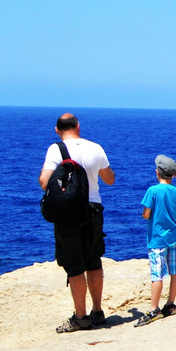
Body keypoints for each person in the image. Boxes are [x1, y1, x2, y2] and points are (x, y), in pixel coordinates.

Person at [39, 113, 115, 333]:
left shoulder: (56, 149)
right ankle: (98, 311)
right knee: (93, 261)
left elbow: (44, 182)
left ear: (57, 130)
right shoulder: (96, 148)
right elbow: (109, 179)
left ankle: (80, 317)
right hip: (93, 210)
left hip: (69, 214)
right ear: (78, 127)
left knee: (74, 265)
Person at [138, 155, 176, 327]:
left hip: (157, 239)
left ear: (157, 172)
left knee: (157, 274)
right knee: (175, 272)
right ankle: (170, 304)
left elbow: (146, 214)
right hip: (174, 237)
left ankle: (154, 308)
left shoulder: (153, 191)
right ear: (175, 175)